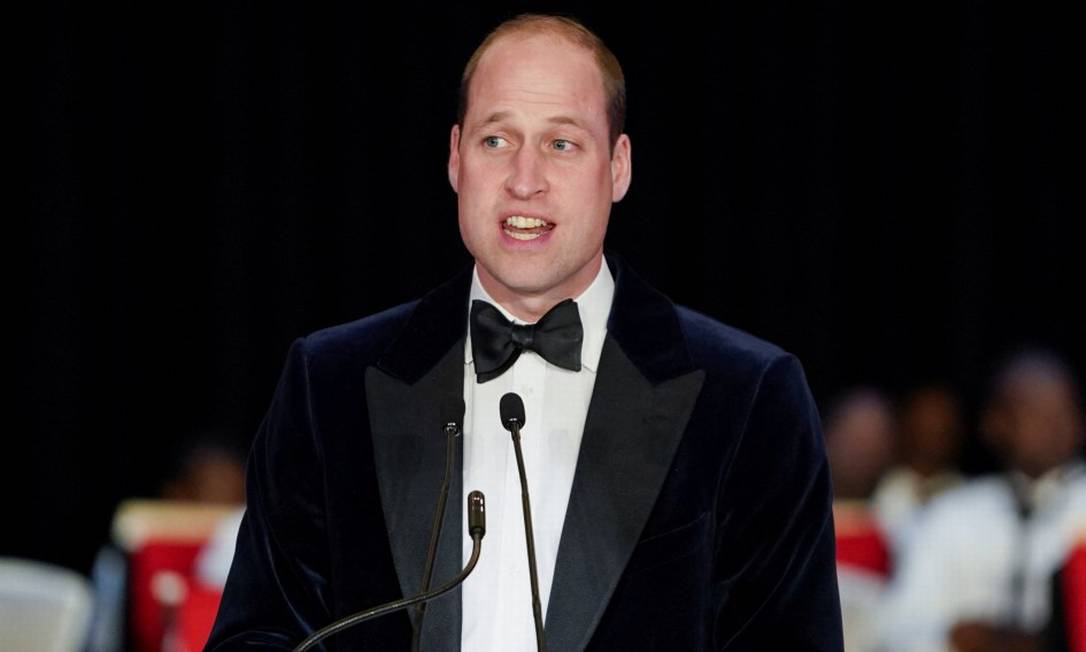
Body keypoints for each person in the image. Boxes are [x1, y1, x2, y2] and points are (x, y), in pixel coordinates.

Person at [207, 14, 843, 651]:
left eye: (561, 144)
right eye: (496, 141)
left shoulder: (748, 395)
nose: (525, 180)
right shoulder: (329, 383)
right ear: (455, 158)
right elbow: (260, 635)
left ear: (618, 168)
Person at [879, 350, 1086, 652]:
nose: (1054, 426)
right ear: (995, 423)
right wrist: (958, 639)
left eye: (1064, 411)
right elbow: (899, 632)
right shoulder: (949, 515)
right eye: (1035, 411)